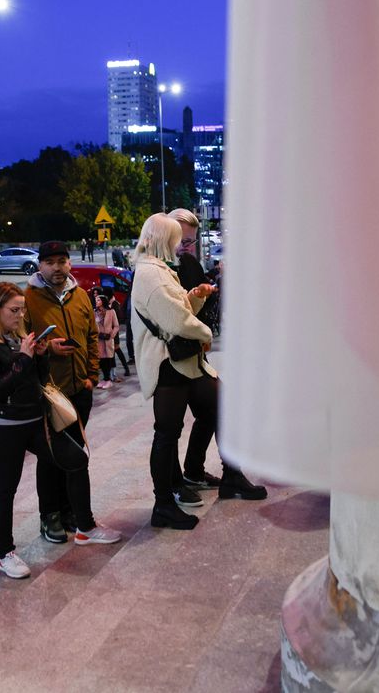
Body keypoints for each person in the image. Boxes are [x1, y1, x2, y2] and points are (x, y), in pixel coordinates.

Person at [0, 282, 121, 579]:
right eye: (14, 310)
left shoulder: (17, 337)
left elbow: (38, 379)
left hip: (34, 418)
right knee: (6, 488)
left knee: (75, 458)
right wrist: (25, 357)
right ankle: (5, 553)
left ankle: (84, 527)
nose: (20, 315)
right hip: (2, 425)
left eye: (22, 309)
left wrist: (39, 355)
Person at [131, 214, 265, 532]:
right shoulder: (151, 274)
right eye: (177, 238)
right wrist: (205, 332)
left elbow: (177, 311)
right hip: (169, 365)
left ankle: (230, 477)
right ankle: (163, 504)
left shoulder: (158, 270)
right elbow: (177, 322)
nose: (180, 245)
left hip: (183, 363)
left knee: (219, 410)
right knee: (166, 435)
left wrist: (195, 297)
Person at [24, 239, 99, 542]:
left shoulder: (79, 295)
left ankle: (70, 510)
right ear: (40, 266)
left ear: (69, 263)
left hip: (80, 388)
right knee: (52, 457)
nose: (57, 267)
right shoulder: (28, 298)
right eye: (50, 262)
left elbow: (92, 335)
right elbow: (22, 343)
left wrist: (91, 375)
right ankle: (50, 515)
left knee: (75, 454)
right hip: (50, 393)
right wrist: (47, 348)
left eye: (61, 261)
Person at [94, 291, 121, 388]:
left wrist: (111, 335)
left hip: (108, 340)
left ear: (103, 301)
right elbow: (93, 326)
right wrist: (98, 334)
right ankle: (104, 379)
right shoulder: (95, 313)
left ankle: (108, 380)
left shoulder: (111, 312)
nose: (96, 301)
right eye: (96, 300)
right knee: (101, 360)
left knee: (108, 359)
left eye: (98, 300)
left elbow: (116, 326)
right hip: (100, 340)